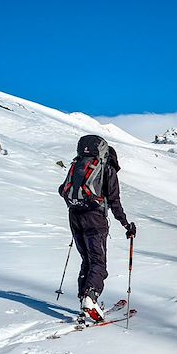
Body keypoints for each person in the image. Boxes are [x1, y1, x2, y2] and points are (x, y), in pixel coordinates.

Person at [59, 135, 136, 321]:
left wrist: (78, 203)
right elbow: (115, 202)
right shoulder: (107, 170)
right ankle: (90, 297)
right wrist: (126, 224)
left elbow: (62, 190)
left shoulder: (77, 165)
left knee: (87, 260)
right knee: (98, 263)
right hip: (95, 219)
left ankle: (84, 298)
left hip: (75, 217)